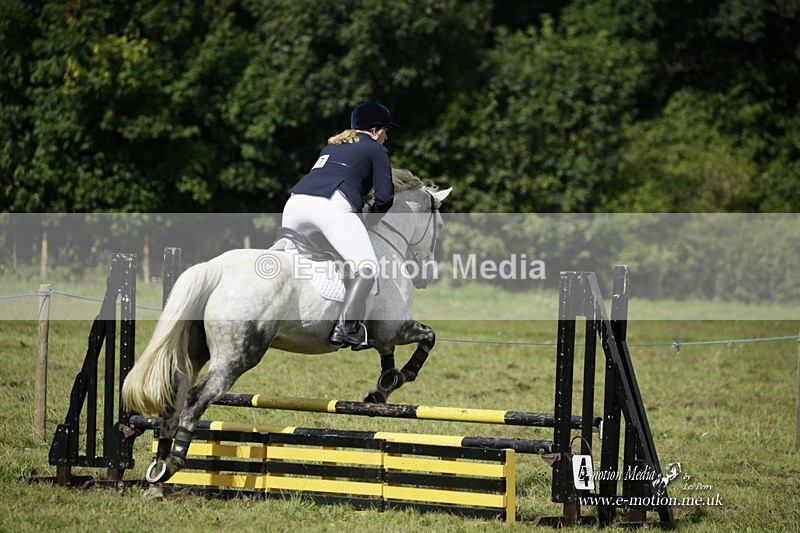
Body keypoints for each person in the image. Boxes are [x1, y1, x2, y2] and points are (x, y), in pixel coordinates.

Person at [282, 101, 399, 348]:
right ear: (376, 130)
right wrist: (370, 222)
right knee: (367, 268)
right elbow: (384, 198)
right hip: (329, 205)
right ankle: (346, 328)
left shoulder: (333, 145)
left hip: (294, 204)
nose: (386, 138)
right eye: (386, 132)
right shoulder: (377, 150)